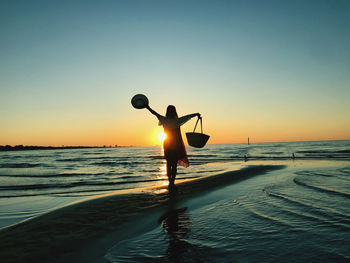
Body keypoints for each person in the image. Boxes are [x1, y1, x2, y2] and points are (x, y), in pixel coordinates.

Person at [146, 105, 200, 187]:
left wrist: (147, 107)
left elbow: (154, 113)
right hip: (176, 144)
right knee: (174, 165)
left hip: (167, 144)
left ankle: (169, 181)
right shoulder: (178, 121)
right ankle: (172, 182)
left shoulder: (164, 120)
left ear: (167, 112)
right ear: (175, 111)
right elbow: (188, 116)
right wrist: (197, 114)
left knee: (168, 163)